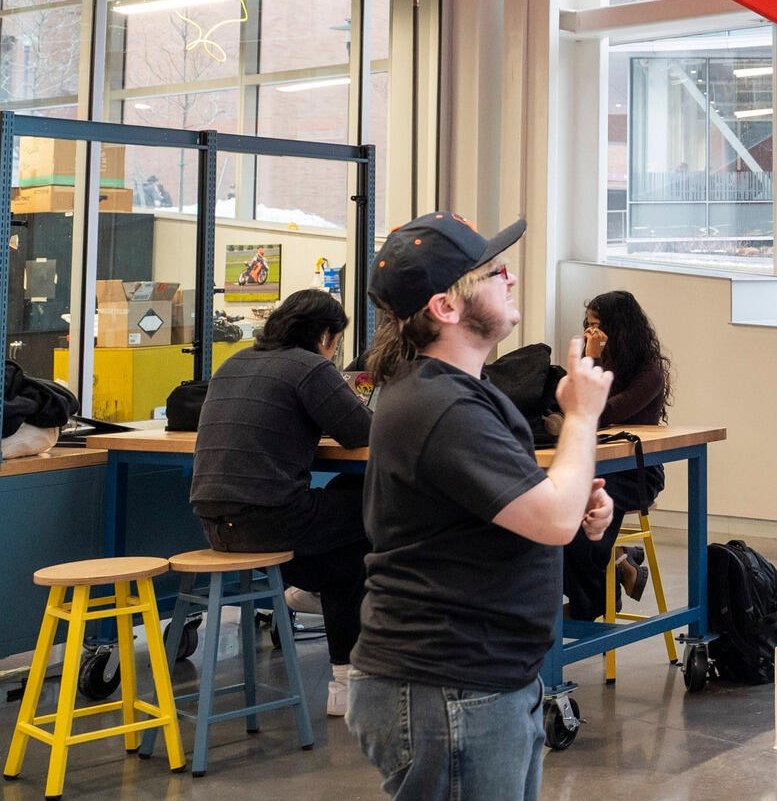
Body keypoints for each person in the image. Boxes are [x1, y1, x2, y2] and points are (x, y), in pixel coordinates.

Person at [345, 213, 614, 801]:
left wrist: (574, 496)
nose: (510, 277)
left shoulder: (460, 391)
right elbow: (552, 519)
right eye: (492, 272)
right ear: (445, 307)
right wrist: (583, 416)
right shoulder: (440, 404)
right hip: (448, 684)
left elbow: (541, 511)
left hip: (482, 676)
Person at [189, 287, 372, 717]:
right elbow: (362, 432)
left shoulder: (234, 362)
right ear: (327, 335)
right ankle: (345, 679)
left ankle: (312, 592)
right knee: (370, 524)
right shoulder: (310, 366)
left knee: (347, 501)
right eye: (337, 341)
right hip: (270, 520)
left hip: (214, 524)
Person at [561, 289, 670, 621]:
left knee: (577, 524)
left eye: (598, 326)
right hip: (595, 463)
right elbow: (574, 402)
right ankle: (618, 563)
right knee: (557, 517)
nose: (591, 334)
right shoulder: (598, 363)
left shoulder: (650, 371)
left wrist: (590, 360)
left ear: (619, 329)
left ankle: (593, 600)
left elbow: (602, 411)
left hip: (636, 471)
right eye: (588, 326)